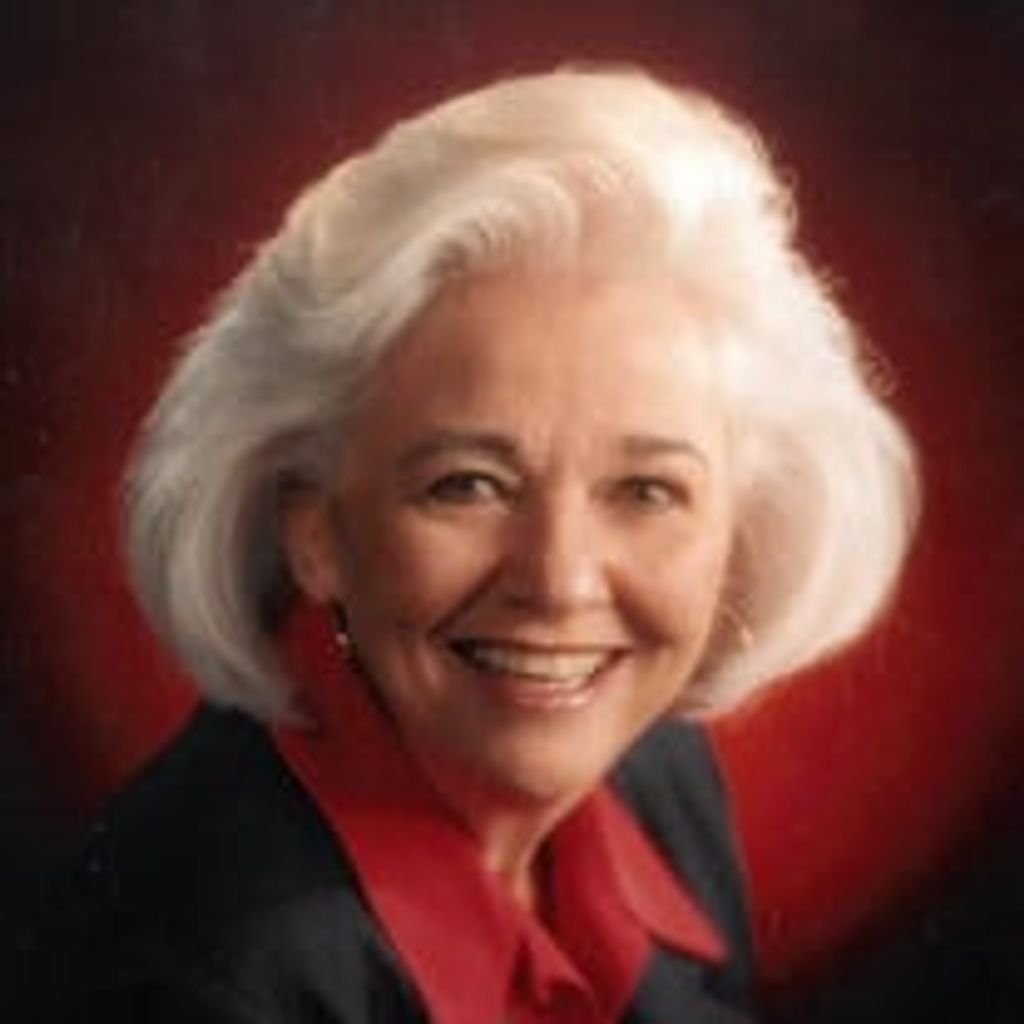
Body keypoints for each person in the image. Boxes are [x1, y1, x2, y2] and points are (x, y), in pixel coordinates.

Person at [7, 66, 918, 1022]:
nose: (560, 581)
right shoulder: (204, 979)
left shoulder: (659, 777)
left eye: (646, 491)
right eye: (468, 485)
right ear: (314, 530)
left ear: (740, 523)